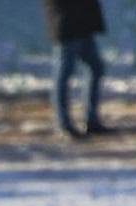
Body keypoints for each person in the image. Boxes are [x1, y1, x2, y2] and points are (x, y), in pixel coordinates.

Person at [43, 0, 108, 138]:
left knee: (95, 67)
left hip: (81, 24)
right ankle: (63, 124)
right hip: (66, 23)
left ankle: (91, 120)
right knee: (63, 74)